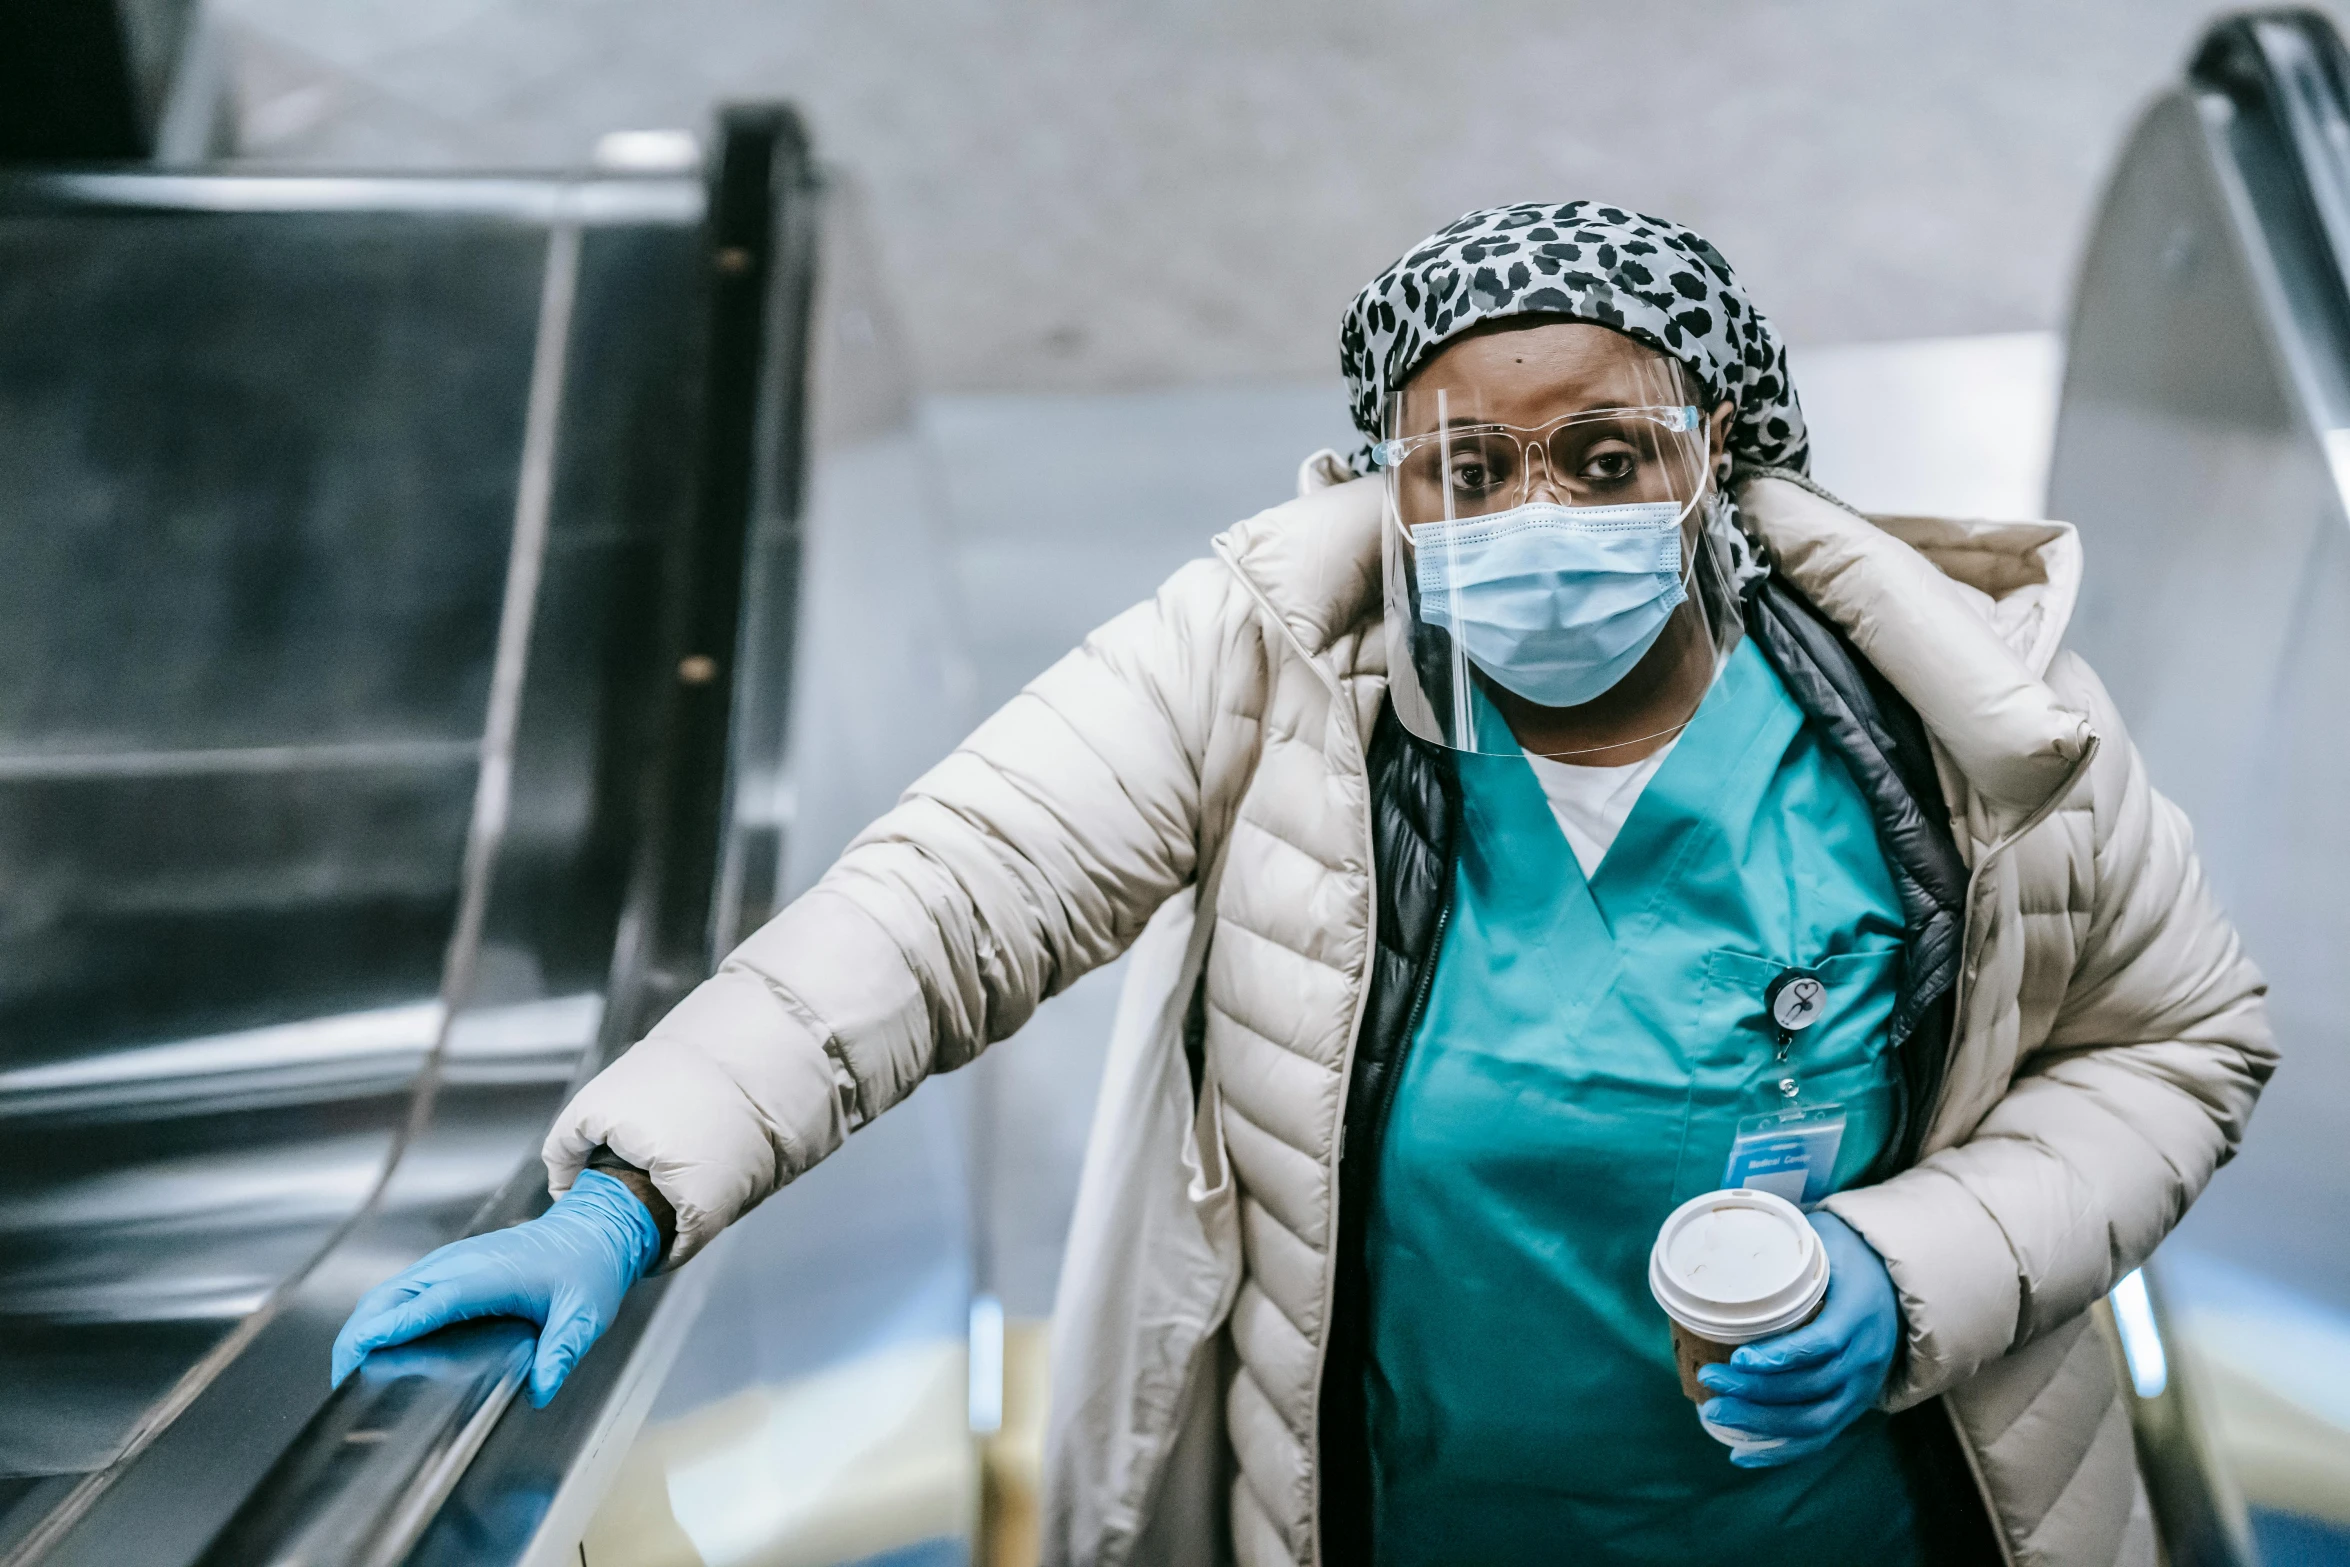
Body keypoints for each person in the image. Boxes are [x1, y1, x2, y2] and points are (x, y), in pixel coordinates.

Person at [333, 202, 2276, 1566]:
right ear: (1382, 484)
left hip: (1851, 1523)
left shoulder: (1956, 728)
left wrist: (1905, 1268)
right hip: (1380, 1511)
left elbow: (2182, 1042)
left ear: (1720, 466)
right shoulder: (1268, 662)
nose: (1537, 521)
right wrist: (630, 1193)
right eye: (1464, 470)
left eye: (1606, 458)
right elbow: (950, 894)